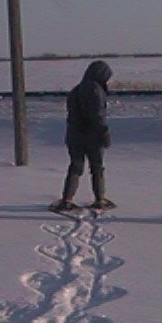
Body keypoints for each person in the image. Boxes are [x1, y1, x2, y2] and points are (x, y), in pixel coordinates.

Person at [50, 59, 115, 212]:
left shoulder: (76, 90)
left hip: (74, 135)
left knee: (75, 166)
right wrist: (104, 132)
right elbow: (97, 115)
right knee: (97, 167)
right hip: (93, 136)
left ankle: (67, 199)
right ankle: (100, 199)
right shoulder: (96, 90)